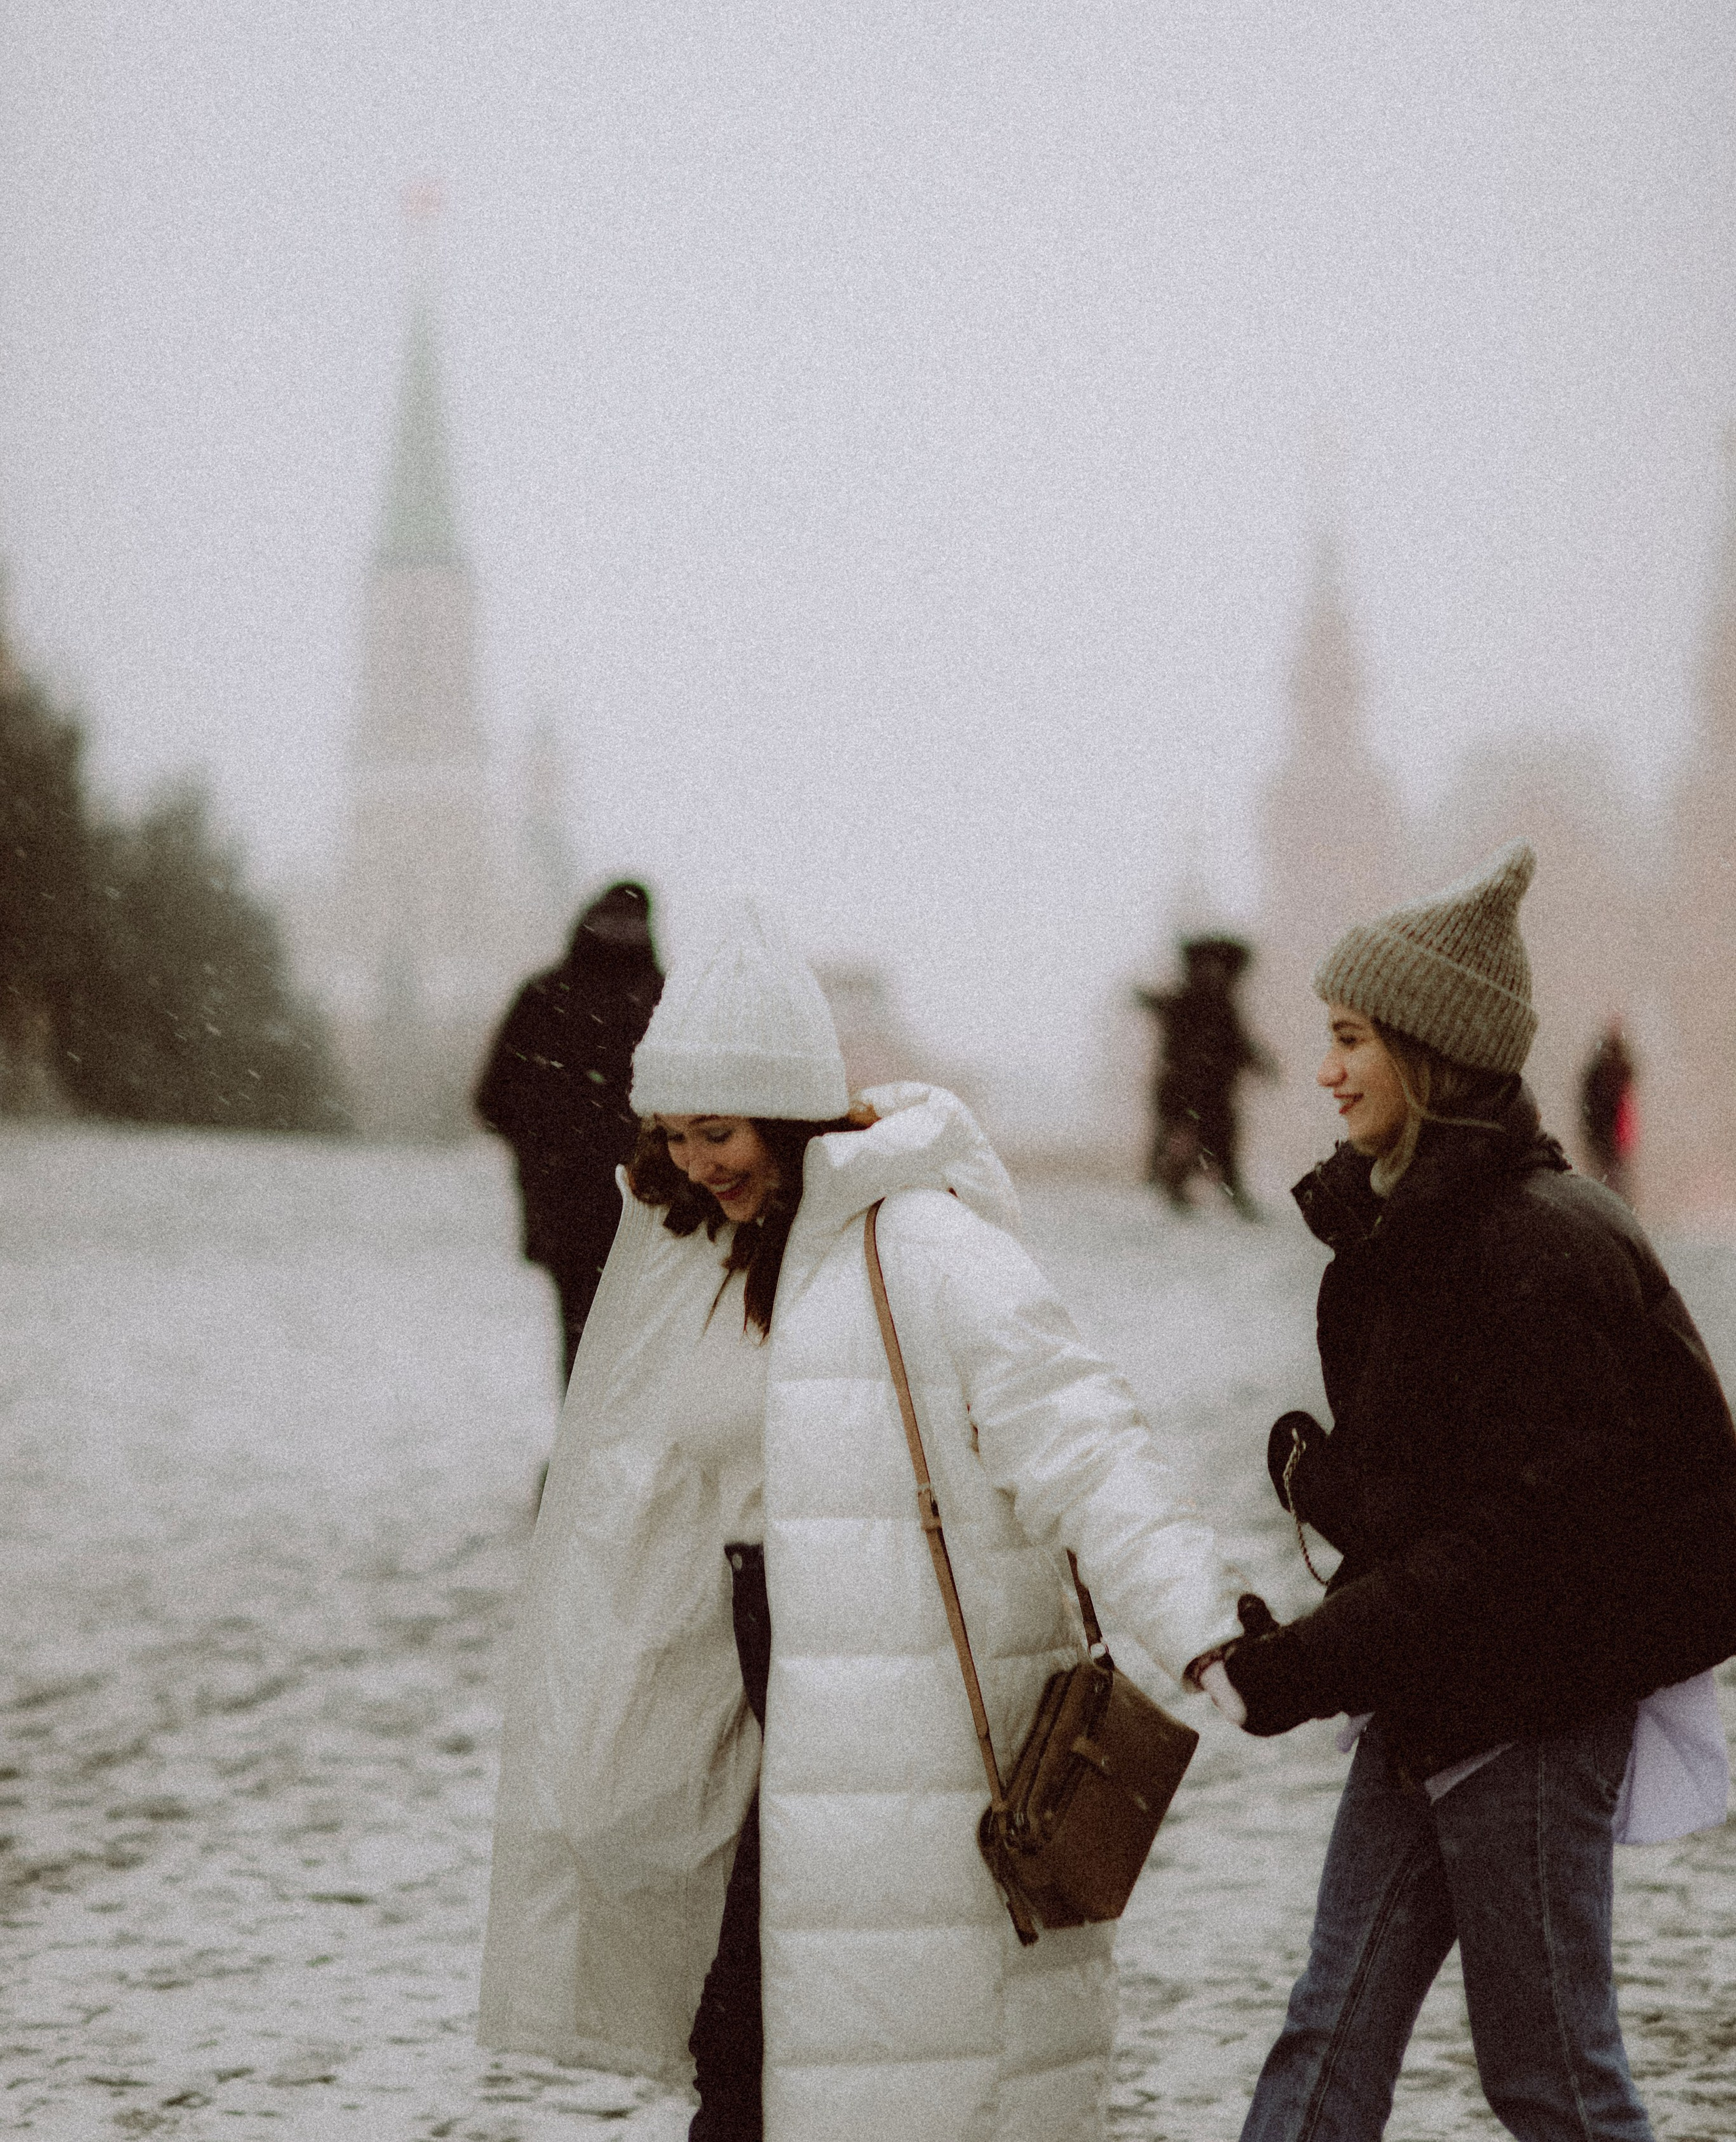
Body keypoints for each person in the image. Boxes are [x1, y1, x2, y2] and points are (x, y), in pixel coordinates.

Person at [479, 899, 1248, 2142]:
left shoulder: (927, 1247)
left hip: (901, 1710)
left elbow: (1080, 1433)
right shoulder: (699, 1254)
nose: (694, 1164)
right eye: (671, 1135)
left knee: (872, 2044)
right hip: (751, 1687)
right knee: (745, 2045)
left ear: (787, 1109)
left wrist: (1205, 1627)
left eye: (717, 1130)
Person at [1196, 841, 1736, 2142]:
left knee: (1552, 2081)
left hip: (1532, 1711)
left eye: (1349, 1039)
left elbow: (1519, 1544)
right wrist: (1325, 1482)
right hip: (1435, 1691)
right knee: (1326, 2045)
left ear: (1430, 1054)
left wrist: (1311, 1662)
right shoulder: (1423, 1234)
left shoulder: (1539, 1249)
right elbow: (1446, 1501)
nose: (1322, 1069)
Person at [473, 879, 663, 1376]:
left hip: (564, 1206)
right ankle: (622, 1446)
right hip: (650, 1202)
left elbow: (491, 1100)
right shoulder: (665, 1001)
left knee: (580, 1328)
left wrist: (544, 1145)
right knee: (646, 1334)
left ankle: (580, 1445)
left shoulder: (543, 996)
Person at [1136, 934, 1274, 1216]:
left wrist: (1260, 1062)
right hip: (1182, 1091)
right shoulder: (1185, 1002)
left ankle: (1230, 1193)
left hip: (1214, 1094)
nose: (1214, 974)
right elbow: (1162, 1005)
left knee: (1222, 1143)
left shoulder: (1224, 1009)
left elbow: (1239, 1044)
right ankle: (1174, 1186)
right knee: (1181, 1140)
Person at [1581, 1018, 1638, 1200]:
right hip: (1610, 1135)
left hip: (1607, 1135)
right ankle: (1620, 1212)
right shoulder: (1606, 1071)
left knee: (1608, 1179)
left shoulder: (1600, 1070)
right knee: (1613, 1179)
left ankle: (1611, 1209)